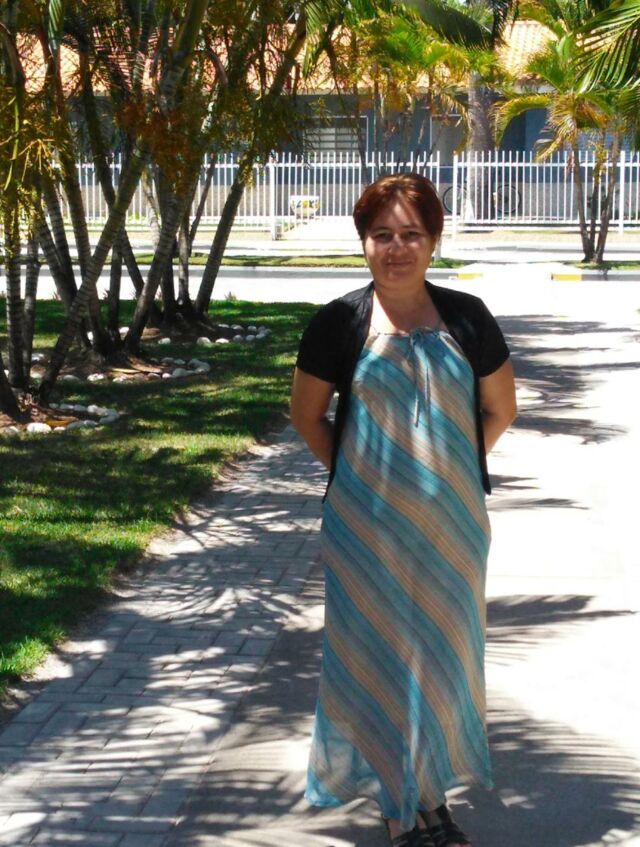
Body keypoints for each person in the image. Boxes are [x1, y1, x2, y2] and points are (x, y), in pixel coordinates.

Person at [290, 173, 517, 847]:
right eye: (382, 234)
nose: (397, 248)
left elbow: (500, 409)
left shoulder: (468, 317)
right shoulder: (338, 323)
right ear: (363, 242)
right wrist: (360, 480)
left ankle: (431, 795)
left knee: (444, 660)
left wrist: (446, 471)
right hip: (366, 531)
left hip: (453, 528)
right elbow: (307, 417)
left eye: (411, 234)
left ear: (433, 240)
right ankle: (399, 807)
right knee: (378, 660)